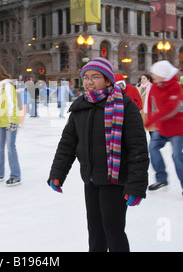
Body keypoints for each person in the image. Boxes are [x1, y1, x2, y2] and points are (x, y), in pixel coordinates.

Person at [48, 57, 149, 252]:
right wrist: (57, 173)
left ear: (109, 80)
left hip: (116, 181)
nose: (89, 82)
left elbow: (138, 149)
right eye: (85, 77)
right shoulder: (80, 107)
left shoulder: (125, 106)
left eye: (95, 77)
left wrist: (136, 186)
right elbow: (67, 145)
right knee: (95, 231)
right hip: (91, 180)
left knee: (113, 231)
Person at [145, 60, 183, 200]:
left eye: (155, 73)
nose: (152, 75)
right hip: (161, 127)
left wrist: (151, 120)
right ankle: (162, 179)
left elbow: (170, 109)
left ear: (162, 74)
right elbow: (151, 104)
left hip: (177, 128)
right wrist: (149, 117)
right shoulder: (155, 86)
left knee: (177, 155)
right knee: (153, 148)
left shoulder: (175, 88)